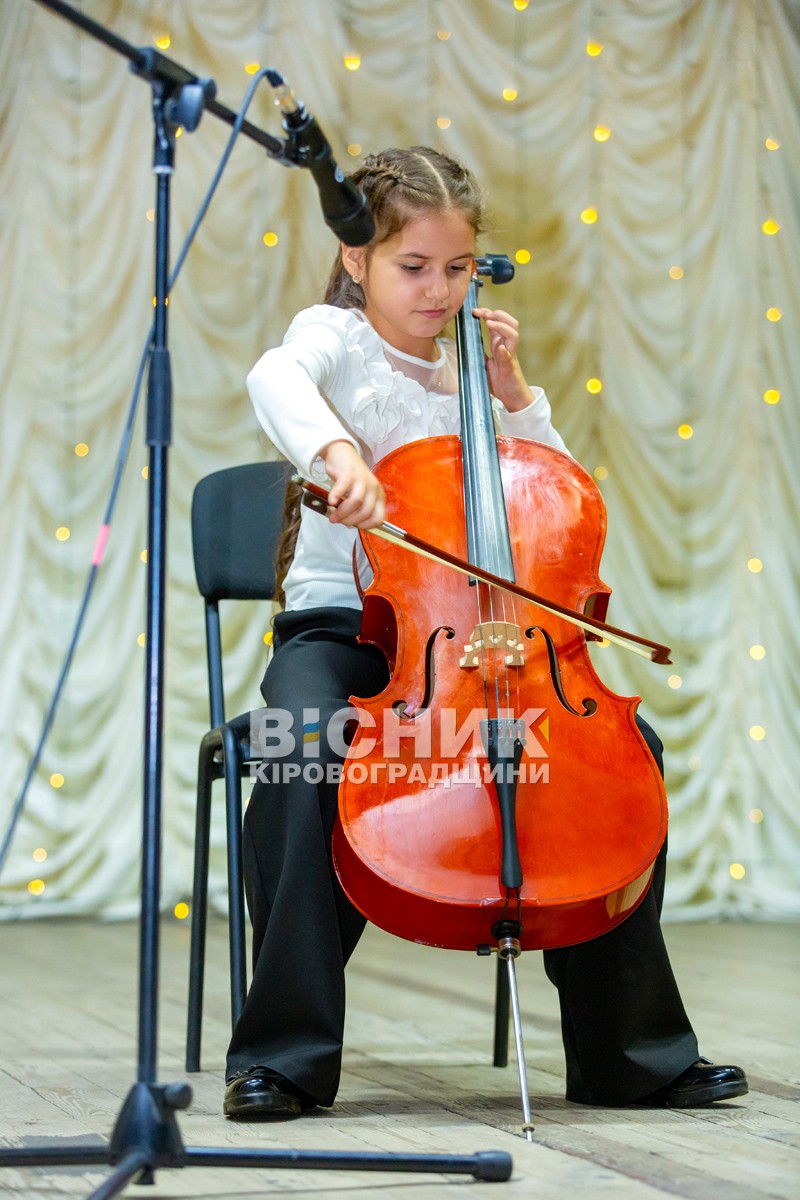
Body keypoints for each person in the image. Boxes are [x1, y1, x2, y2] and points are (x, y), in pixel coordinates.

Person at [223, 145, 747, 1118]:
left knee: (624, 754)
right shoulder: (330, 338)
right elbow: (277, 377)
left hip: (483, 641)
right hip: (346, 627)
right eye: (410, 267)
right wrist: (338, 452)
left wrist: (510, 394)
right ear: (358, 263)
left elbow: (553, 508)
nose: (437, 288)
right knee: (300, 758)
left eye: (455, 268)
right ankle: (283, 1058)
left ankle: (626, 1056)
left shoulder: (474, 369)